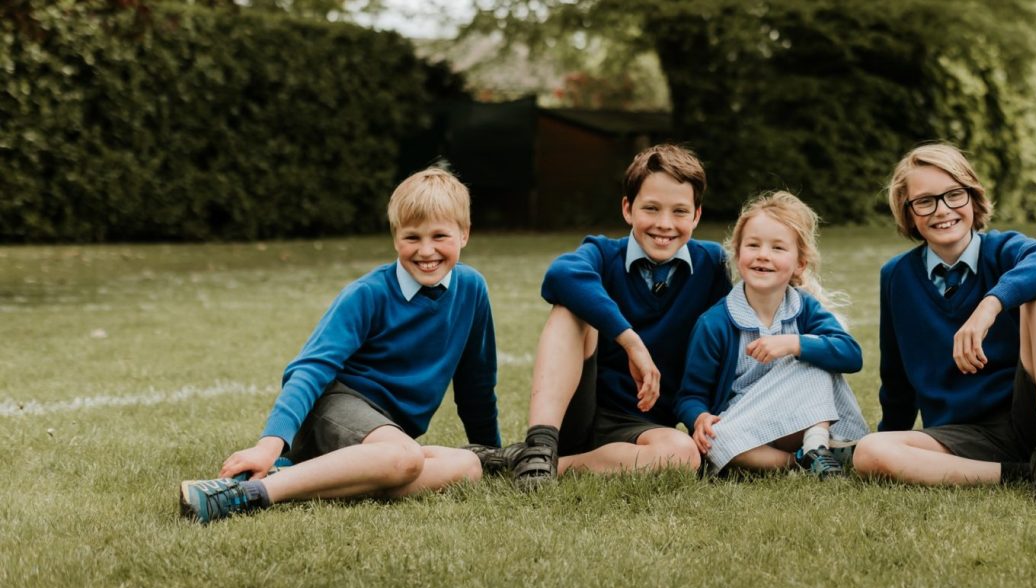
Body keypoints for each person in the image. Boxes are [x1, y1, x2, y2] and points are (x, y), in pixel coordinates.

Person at [179, 168, 500, 524]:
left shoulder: (472, 289)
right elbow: (310, 369)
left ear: (464, 234)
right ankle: (252, 493)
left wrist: (492, 451)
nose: (426, 250)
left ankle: (308, 476)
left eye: (440, 235)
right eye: (412, 237)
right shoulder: (368, 294)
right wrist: (269, 445)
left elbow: (476, 384)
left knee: (469, 466)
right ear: (396, 239)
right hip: (336, 406)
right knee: (406, 458)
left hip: (384, 433)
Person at [852, 143, 1036, 503]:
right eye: (925, 201)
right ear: (909, 212)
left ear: (973, 198)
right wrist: (892, 438)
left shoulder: (1004, 250)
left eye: (953, 195)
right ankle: (1033, 472)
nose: (942, 210)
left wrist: (989, 306)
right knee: (869, 452)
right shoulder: (896, 277)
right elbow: (897, 378)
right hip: (961, 435)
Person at [475, 144, 731, 485]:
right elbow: (560, 275)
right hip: (578, 411)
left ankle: (529, 465)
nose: (664, 224)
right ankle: (540, 445)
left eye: (679, 212)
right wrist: (631, 341)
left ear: (697, 216)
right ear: (628, 208)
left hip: (642, 427)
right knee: (571, 308)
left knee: (682, 455)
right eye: (651, 208)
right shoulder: (602, 252)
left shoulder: (711, 265)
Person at [675, 192, 869, 478]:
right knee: (716, 443)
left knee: (815, 356)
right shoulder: (715, 323)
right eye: (753, 245)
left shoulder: (804, 309)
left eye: (778, 248)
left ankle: (817, 445)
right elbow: (689, 395)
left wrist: (794, 343)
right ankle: (800, 462)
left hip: (801, 421)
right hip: (749, 426)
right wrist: (700, 417)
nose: (763, 255)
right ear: (738, 253)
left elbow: (851, 355)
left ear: (799, 264)